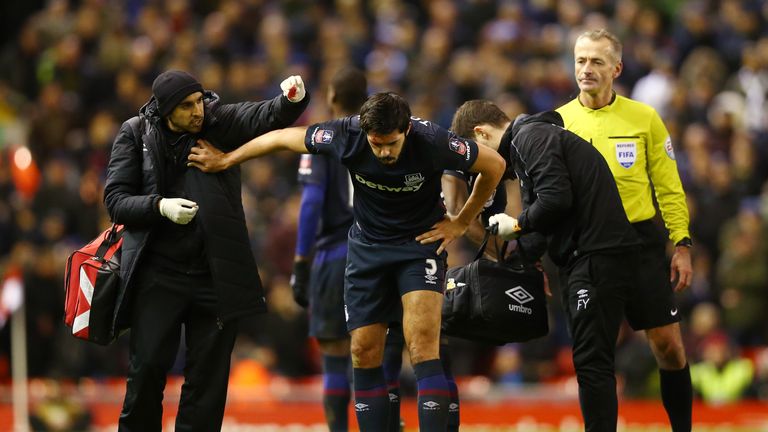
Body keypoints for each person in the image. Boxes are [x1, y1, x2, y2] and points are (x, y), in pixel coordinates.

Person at [188, 92, 505, 431]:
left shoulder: (432, 140)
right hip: (367, 250)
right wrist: (226, 160)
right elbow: (281, 138)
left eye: (391, 144)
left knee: (422, 346)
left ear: (407, 131)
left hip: (418, 248)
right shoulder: (346, 134)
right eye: (376, 144)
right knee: (363, 352)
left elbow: (494, 165)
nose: (383, 152)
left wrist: (460, 221)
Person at [103, 69, 309, 431]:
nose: (198, 111)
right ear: (166, 110)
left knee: (208, 385)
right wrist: (159, 206)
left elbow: (263, 116)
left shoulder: (218, 122)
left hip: (214, 276)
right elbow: (116, 201)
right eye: (186, 106)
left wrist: (291, 100)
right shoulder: (134, 133)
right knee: (147, 369)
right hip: (158, 273)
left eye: (199, 101)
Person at [451, 100, 642, 431]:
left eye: (476, 156)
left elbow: (555, 200)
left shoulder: (530, 138)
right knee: (590, 362)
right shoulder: (533, 140)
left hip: (595, 254)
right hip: (589, 255)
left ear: (481, 134)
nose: (483, 169)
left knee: (592, 363)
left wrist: (517, 224)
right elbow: (544, 224)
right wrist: (517, 260)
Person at [556, 28, 693, 431]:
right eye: (580, 60)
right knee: (594, 357)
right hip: (587, 249)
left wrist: (681, 243)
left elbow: (669, 186)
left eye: (597, 61)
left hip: (640, 246)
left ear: (616, 68)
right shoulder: (559, 122)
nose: (586, 69)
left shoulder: (644, 118)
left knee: (669, 346)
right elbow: (544, 196)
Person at [290, 66, 407, 431]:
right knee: (380, 351)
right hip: (379, 253)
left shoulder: (324, 140)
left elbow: (310, 204)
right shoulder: (385, 136)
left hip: (333, 255)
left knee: (336, 357)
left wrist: (300, 261)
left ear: (331, 96)